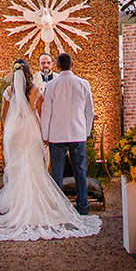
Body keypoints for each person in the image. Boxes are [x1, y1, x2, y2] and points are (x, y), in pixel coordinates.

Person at [0, 58, 100, 241]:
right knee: (61, 168)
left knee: (27, 169)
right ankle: (78, 206)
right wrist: (85, 131)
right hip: (51, 132)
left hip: (20, 133)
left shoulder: (12, 90)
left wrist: (42, 133)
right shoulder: (43, 89)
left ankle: (25, 204)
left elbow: (6, 117)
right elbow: (45, 112)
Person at [40, 52, 95, 216]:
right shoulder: (83, 83)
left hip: (57, 134)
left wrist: (45, 134)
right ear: (72, 65)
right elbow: (89, 112)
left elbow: (46, 112)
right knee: (80, 171)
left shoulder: (51, 86)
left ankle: (58, 208)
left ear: (56, 66)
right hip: (78, 133)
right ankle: (82, 206)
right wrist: (86, 131)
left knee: (57, 172)